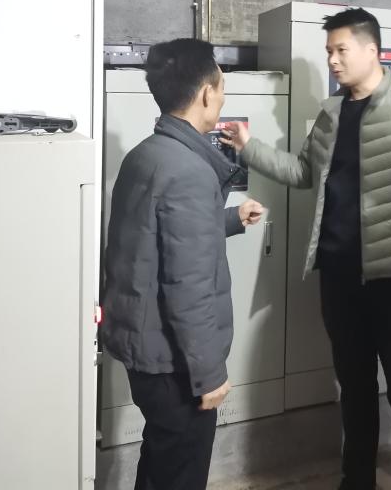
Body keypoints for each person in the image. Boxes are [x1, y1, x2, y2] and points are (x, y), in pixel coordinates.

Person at [221, 7, 391, 490]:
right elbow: (303, 172)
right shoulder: (333, 112)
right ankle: (356, 481)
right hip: (338, 275)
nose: (333, 60)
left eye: (341, 50)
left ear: (372, 50)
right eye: (329, 52)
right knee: (353, 388)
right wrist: (249, 147)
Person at [101, 38, 265, 490]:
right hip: (176, 367)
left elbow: (154, 239)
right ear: (207, 93)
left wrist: (229, 218)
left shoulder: (145, 155)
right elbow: (187, 287)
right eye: (222, 86)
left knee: (160, 461)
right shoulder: (190, 171)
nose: (223, 96)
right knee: (181, 473)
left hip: (145, 352)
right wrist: (209, 375)